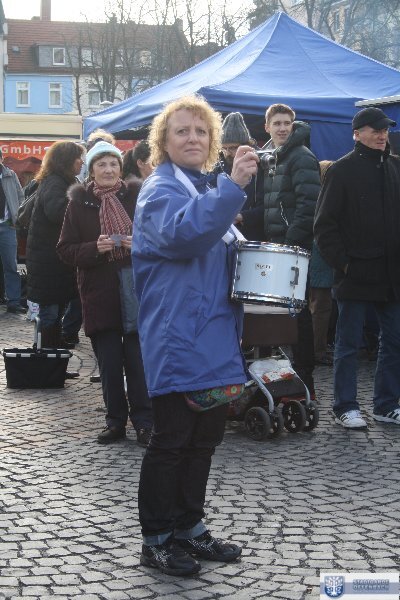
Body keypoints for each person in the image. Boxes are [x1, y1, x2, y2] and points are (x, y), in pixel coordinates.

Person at [132, 95, 258, 576]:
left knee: (204, 439)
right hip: (177, 336)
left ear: (212, 141)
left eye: (201, 131)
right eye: (182, 130)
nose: (193, 138)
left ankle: (188, 526)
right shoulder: (160, 190)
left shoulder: (201, 187)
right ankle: (157, 539)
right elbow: (183, 236)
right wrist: (233, 188)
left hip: (212, 334)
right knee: (171, 440)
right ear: (163, 142)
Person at [57, 141, 153, 447]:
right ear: (92, 170)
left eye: (113, 164)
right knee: (109, 364)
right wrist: (93, 248)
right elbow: (65, 249)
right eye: (101, 164)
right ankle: (115, 422)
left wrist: (139, 244)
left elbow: (158, 239)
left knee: (138, 362)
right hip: (99, 292)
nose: (108, 170)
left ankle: (145, 422)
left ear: (120, 168)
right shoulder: (79, 203)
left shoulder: (138, 197)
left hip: (135, 290)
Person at [314, 106, 400, 428]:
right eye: (375, 130)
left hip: (391, 274)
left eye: (385, 130)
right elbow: (324, 226)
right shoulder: (341, 171)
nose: (381, 135)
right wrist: (345, 264)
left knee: (394, 341)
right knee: (348, 344)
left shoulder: (395, 167)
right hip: (356, 274)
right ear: (357, 134)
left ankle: (386, 404)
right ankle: (344, 406)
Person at [238, 103, 321, 395]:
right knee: (274, 313)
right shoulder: (270, 157)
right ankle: (275, 377)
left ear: (293, 125)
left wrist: (290, 243)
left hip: (292, 249)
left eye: (287, 123)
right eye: (277, 123)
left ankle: (305, 377)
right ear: (267, 127)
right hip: (274, 247)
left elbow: (308, 206)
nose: (283, 128)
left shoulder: (301, 156)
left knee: (298, 313)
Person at [25, 141, 84, 369]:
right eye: (78, 158)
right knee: (49, 315)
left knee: (55, 313)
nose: (82, 162)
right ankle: (45, 365)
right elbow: (56, 212)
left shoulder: (61, 181)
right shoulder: (55, 183)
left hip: (53, 262)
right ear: (67, 160)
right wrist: (80, 201)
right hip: (48, 262)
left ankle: (53, 363)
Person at [309, 160, 334, 366]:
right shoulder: (323, 198)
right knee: (321, 308)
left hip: (319, 261)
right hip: (321, 261)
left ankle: (318, 348)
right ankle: (318, 350)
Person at [0, 149, 26, 314]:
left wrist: (18, 217)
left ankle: (14, 301)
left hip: (8, 226)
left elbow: (21, 197)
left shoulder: (11, 175)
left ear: (1, 158)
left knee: (11, 264)